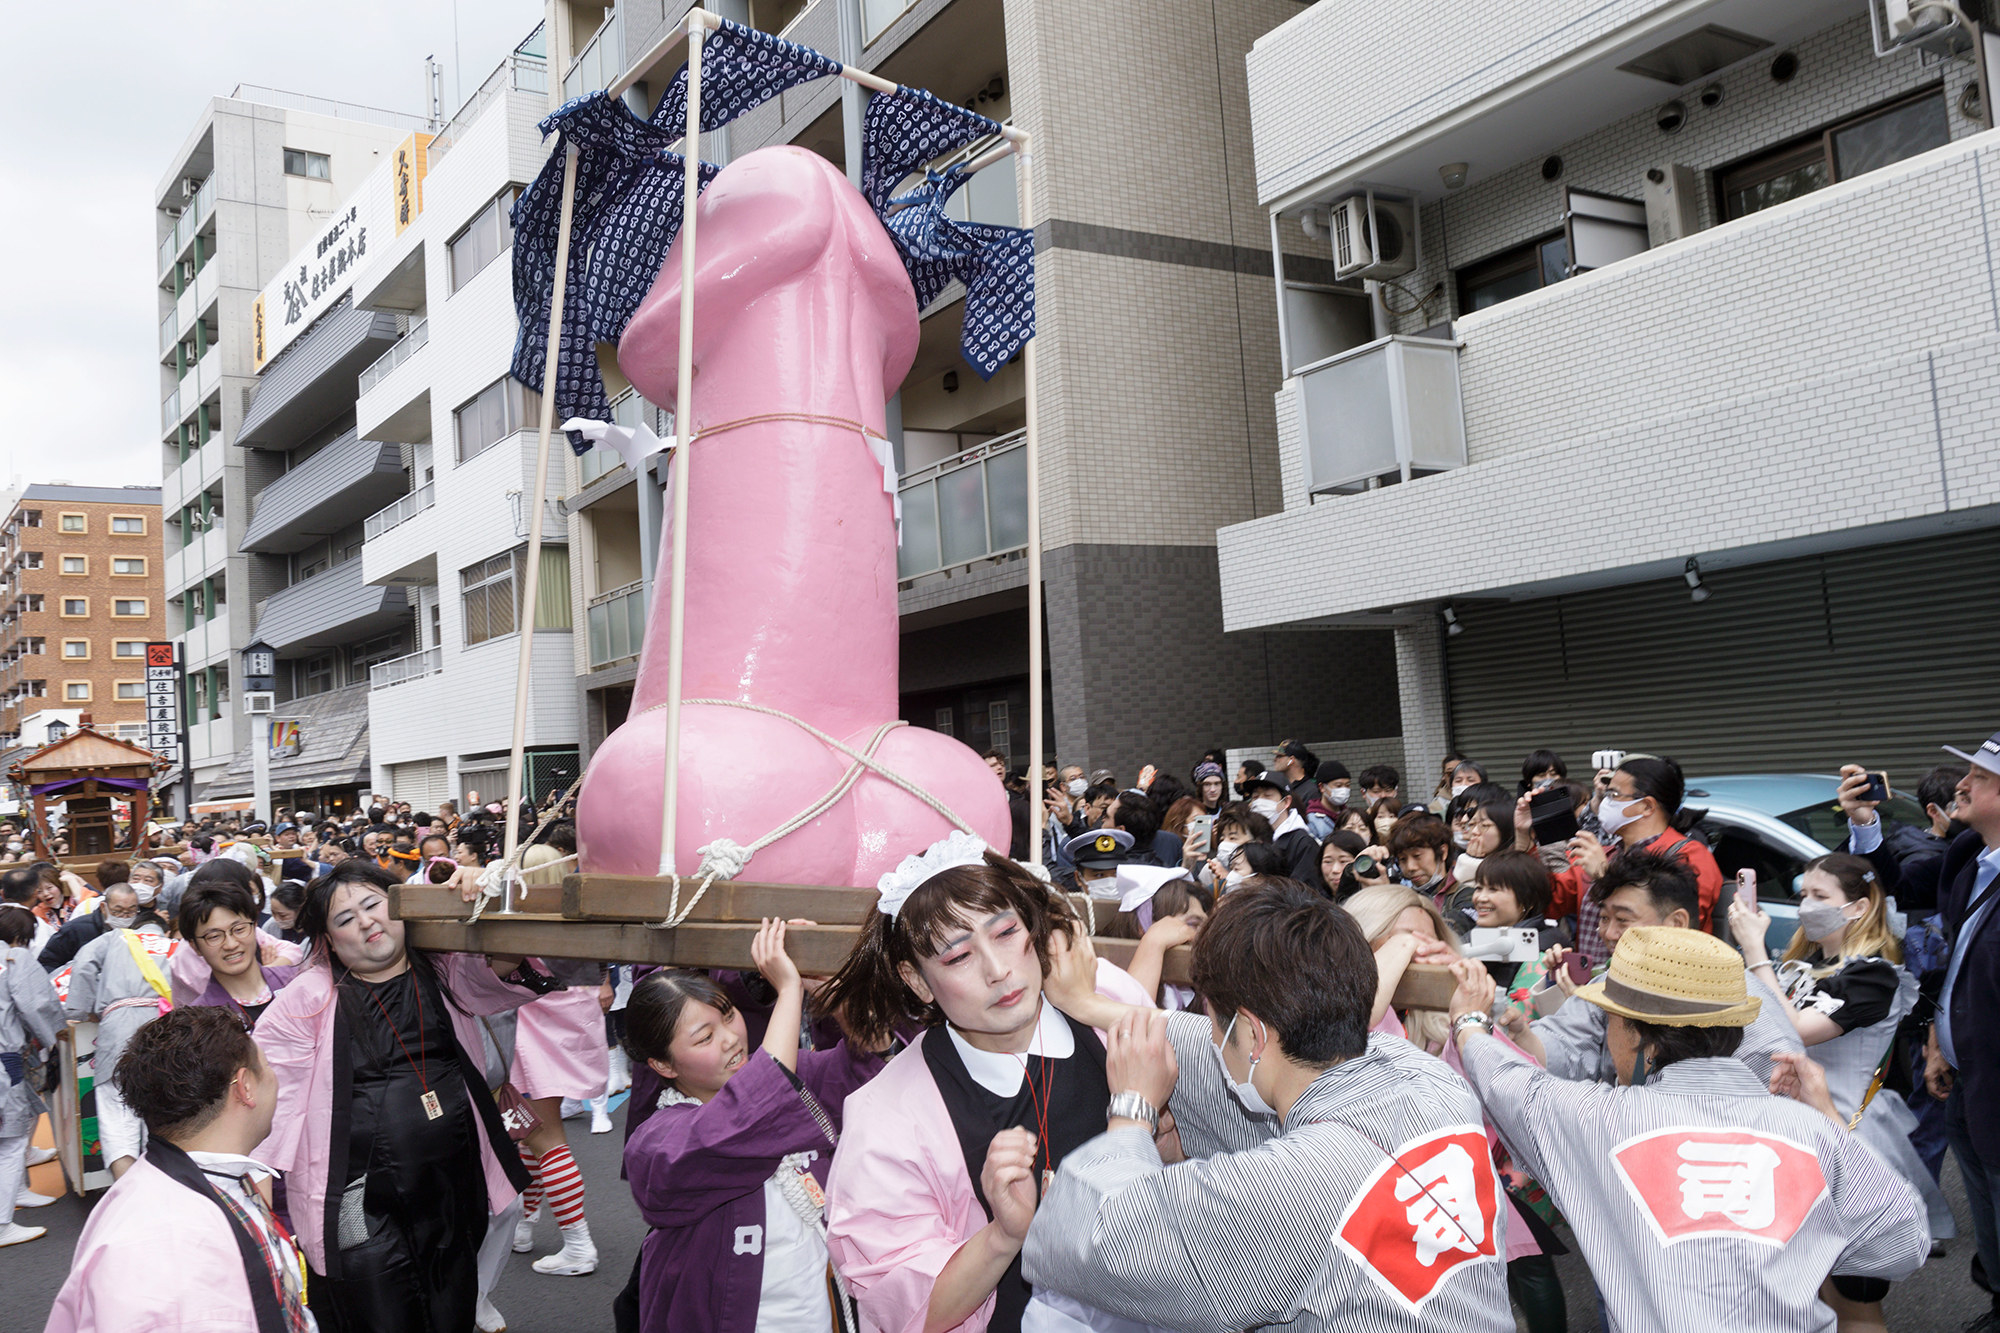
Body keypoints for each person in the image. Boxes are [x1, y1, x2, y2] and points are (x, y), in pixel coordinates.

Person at [1021, 880, 1514, 1332]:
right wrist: (1091, 1006)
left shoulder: (1288, 1194)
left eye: (1219, 1023)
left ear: (1252, 1034)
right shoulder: (1428, 1080)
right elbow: (1199, 1045)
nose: (1213, 1040)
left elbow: (1083, 1241)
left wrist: (1131, 1110)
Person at [1451, 927, 1929, 1333]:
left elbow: (1508, 1083)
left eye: (1610, 1021)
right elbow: (1902, 1243)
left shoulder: (1596, 1119)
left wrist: (1470, 1021)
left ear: (1639, 1034)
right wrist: (1825, 1117)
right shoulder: (1810, 1131)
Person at [818, 834, 1156, 1333]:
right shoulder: (888, 1117)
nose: (1000, 971)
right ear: (915, 980)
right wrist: (1002, 1236)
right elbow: (904, 1309)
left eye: (1005, 933)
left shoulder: (1104, 1002)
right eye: (958, 958)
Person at [254, 860, 549, 1333]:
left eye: (374, 905)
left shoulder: (443, 969)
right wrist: (257, 1212)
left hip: (452, 1182)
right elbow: (269, 1108)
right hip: (357, 1201)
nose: (367, 921)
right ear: (328, 940)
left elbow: (504, 963)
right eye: (345, 919)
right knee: (377, 1312)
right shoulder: (304, 1002)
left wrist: (488, 894)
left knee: (452, 1304)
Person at [623, 924, 888, 1333]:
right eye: (705, 1037)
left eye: (729, 1017)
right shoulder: (656, 1146)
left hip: (817, 1311)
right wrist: (788, 991)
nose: (731, 1039)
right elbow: (752, 1110)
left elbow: (867, 1068)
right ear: (663, 1065)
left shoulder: (789, 1076)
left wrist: (833, 995)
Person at [1730, 853, 1954, 1322]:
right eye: (1803, 894)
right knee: (1806, 1293)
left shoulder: (1875, 975)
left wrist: (1753, 951)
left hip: (1844, 1139)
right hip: (1786, 1140)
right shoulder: (1794, 968)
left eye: (1820, 896)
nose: (1808, 906)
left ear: (1857, 906)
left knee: (1854, 1302)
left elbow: (1790, 1030)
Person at [45, 1007, 311, 1333]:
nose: (274, 1077)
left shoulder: (191, 1186)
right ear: (245, 1087)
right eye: (267, 1066)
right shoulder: (173, 1247)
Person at [1517, 850, 1801, 1090]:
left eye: (1623, 920)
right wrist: (1519, 1037)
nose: (1609, 933)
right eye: (1604, 918)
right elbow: (1566, 1042)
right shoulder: (1613, 982)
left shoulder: (1738, 997)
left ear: (1676, 922)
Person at [1923, 731, 2000, 1331]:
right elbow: (1952, 962)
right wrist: (1934, 1042)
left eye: (1980, 776)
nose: (1962, 785)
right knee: (1986, 1212)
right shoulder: (1970, 855)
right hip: (1964, 1076)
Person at [1520, 753, 1723, 932]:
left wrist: (1605, 877)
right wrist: (1524, 835)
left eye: (1613, 795)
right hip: (1597, 976)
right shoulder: (1606, 854)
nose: (1605, 802)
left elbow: (1679, 930)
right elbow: (1546, 903)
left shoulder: (1690, 856)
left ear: (1646, 806)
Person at [64, 879, 178, 1178]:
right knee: (164, 1117)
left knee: (119, 1119)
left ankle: (128, 1197)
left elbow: (84, 965)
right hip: (166, 1030)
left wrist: (83, 1011)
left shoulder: (112, 940)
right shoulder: (173, 945)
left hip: (119, 1029)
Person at [508, 950, 612, 1277]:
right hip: (567, 1004)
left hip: (533, 1012)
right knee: (529, 1136)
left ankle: (578, 1244)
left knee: (544, 1138)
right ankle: (523, 1226)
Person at [0, 901, 61, 1247]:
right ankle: (2, 1222)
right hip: (4, 1056)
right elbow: (37, 1004)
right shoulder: (15, 957)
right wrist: (55, 1038)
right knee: (10, 1141)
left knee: (14, 1131)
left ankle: (18, 1190)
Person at [176, 868, 304, 1031]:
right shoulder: (198, 1022)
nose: (231, 944)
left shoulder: (296, 981)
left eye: (239, 929)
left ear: (255, 926)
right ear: (195, 946)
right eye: (214, 936)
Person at [37, 881, 135, 973]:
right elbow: (48, 963)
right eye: (117, 911)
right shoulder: (76, 929)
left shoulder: (139, 928)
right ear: (103, 908)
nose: (124, 916)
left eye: (131, 911)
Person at [1241, 773, 1320, 885]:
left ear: (1286, 801)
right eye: (1255, 797)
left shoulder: (1302, 843)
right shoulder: (1251, 838)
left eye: (1267, 796)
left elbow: (1303, 891)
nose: (1260, 802)